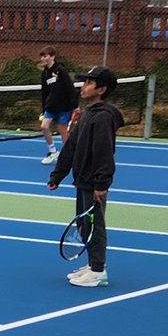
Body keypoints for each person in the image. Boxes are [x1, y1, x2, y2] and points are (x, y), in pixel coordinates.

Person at [47, 64, 122, 287]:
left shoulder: (103, 118)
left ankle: (98, 271)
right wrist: (57, 175)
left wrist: (102, 183)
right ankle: (92, 264)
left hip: (93, 183)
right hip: (81, 181)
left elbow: (104, 152)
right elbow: (71, 147)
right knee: (84, 225)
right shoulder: (87, 114)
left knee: (95, 226)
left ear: (101, 89)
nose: (84, 86)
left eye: (89, 83)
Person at [37, 48, 79, 165]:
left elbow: (70, 87)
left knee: (63, 132)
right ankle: (52, 151)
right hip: (51, 106)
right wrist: (44, 108)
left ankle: (69, 154)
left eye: (45, 56)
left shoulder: (61, 71)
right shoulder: (44, 73)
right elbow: (44, 92)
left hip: (64, 107)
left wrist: (75, 105)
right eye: (42, 57)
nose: (43, 59)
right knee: (44, 127)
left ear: (53, 56)